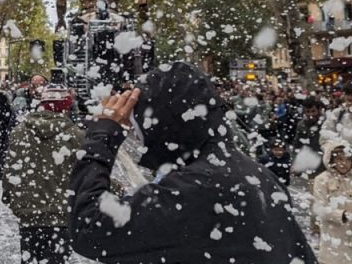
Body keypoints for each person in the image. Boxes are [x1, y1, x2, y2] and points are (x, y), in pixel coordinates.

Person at [69, 62, 316, 264]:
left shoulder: (197, 187)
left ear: (163, 123)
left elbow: (89, 229)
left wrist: (103, 136)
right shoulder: (258, 175)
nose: (138, 137)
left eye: (138, 125)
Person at [3, 84, 84, 264]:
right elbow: (87, 174)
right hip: (61, 216)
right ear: (66, 107)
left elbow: (10, 171)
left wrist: (12, 200)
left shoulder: (19, 132)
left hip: (29, 216)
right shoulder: (76, 135)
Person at [313, 141, 352, 264]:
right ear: (332, 160)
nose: (343, 164)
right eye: (339, 159)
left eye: (347, 160)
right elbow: (321, 208)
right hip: (334, 235)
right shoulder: (322, 179)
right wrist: (344, 215)